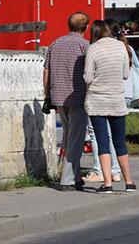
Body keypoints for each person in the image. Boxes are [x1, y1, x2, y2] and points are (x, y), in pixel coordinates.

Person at [84, 20, 136, 194]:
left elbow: (88, 78)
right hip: (116, 100)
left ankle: (107, 184)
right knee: (120, 142)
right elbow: (125, 74)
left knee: (102, 141)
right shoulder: (121, 47)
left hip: (97, 101)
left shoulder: (93, 48)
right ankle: (129, 182)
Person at [43, 11, 91, 191]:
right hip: (78, 97)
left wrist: (47, 95)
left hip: (58, 98)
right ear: (86, 28)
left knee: (69, 135)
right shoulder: (85, 46)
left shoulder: (55, 44)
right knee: (76, 140)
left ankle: (76, 177)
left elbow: (46, 71)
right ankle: (68, 179)